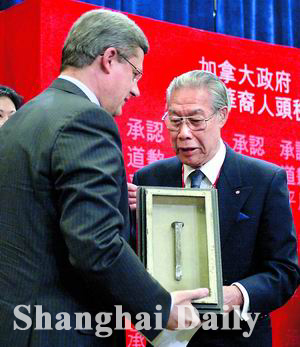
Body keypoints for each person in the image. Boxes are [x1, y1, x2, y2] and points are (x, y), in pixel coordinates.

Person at [0, 11, 209, 347]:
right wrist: (161, 307)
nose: (137, 90)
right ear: (109, 58)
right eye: (135, 74)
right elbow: (95, 243)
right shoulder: (85, 120)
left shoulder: (24, 117)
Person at [128, 70, 300, 347]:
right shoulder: (149, 179)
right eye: (175, 121)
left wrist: (236, 294)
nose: (183, 134)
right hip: (167, 339)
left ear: (222, 116)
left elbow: (284, 271)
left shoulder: (263, 180)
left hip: (237, 338)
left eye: (195, 121)